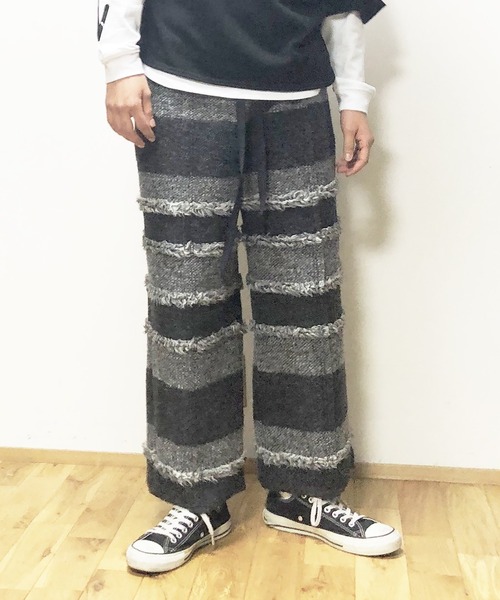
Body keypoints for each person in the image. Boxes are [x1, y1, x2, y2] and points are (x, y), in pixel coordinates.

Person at [97, 0, 402, 574]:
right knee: (187, 301)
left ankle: (303, 490)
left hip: (296, 100)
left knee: (306, 302)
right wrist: (119, 62)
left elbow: (344, 9)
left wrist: (354, 97)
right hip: (180, 86)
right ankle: (197, 495)